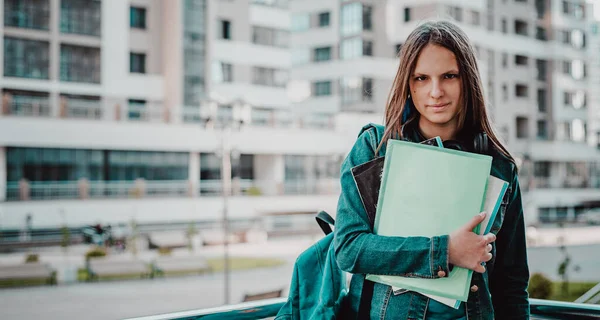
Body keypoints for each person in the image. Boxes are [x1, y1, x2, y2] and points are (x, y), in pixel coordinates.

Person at [334, 20, 530, 319]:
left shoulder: (500, 166)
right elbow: (349, 249)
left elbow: (512, 282)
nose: (435, 91)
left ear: (468, 81)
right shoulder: (375, 149)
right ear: (407, 85)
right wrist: (445, 251)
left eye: (449, 76)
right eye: (421, 78)